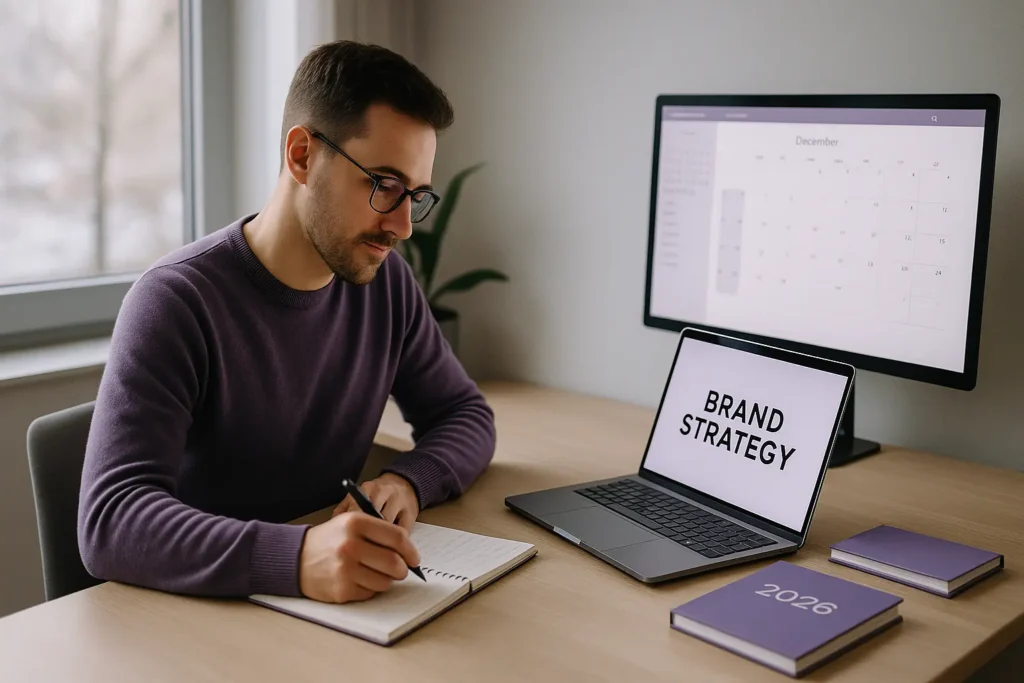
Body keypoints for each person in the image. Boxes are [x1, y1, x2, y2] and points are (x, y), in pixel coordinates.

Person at [77, 40, 496, 605]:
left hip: (327, 616)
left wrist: (407, 481)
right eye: (383, 186)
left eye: (415, 196)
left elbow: (465, 414)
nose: (403, 226)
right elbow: (112, 520)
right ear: (302, 155)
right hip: (196, 623)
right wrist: (296, 557)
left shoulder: (385, 284)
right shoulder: (177, 301)